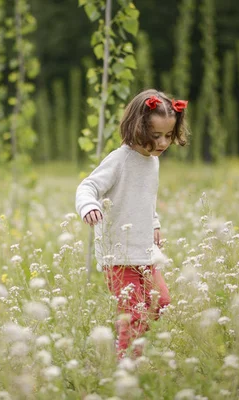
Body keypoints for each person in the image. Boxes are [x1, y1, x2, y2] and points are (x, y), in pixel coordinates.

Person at [75, 89, 189, 358]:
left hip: (145, 251)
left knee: (162, 303)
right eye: (156, 135)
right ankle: (126, 362)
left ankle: (129, 344)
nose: (162, 143)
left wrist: (155, 223)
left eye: (168, 136)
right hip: (119, 255)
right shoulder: (120, 160)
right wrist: (89, 205)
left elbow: (146, 198)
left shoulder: (153, 162)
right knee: (133, 314)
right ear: (137, 128)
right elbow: (88, 186)